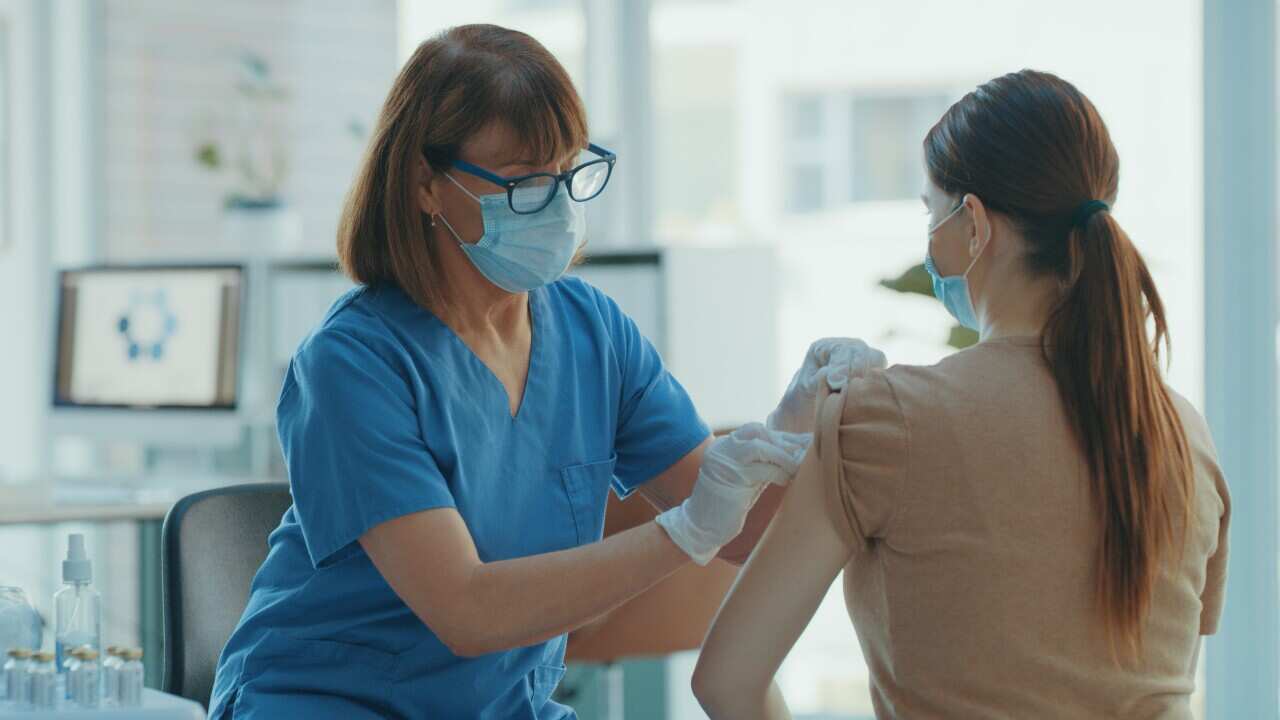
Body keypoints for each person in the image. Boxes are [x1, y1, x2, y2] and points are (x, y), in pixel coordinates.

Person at [208, 24, 877, 719]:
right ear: (425, 185)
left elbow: (739, 531)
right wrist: (683, 532)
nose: (558, 205)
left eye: (567, 174)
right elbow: (467, 610)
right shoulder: (353, 365)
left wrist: (795, 436)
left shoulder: (592, 332)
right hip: (327, 702)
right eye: (525, 182)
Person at [692, 69, 1230, 719]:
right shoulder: (1183, 433)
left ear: (974, 224)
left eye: (930, 210)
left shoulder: (883, 422)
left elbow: (726, 681)